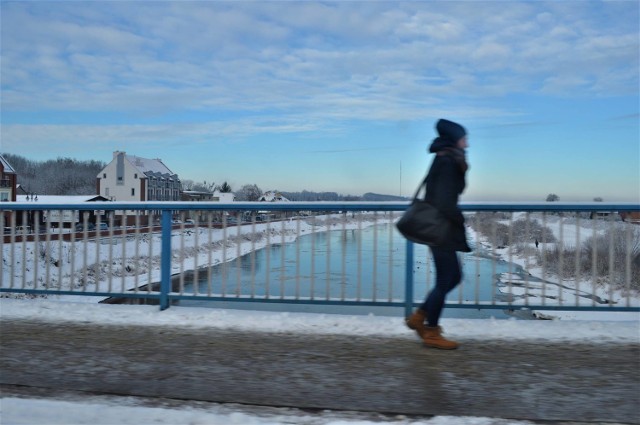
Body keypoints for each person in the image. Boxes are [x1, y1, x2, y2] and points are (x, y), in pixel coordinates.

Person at [405, 118, 472, 350]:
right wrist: (457, 219)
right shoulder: (446, 161)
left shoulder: (448, 158)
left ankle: (420, 317)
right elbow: (444, 200)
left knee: (451, 277)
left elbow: (450, 192)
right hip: (441, 228)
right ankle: (431, 331)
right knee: (448, 278)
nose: (467, 143)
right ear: (455, 139)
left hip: (441, 226)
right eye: (464, 138)